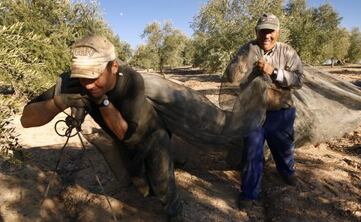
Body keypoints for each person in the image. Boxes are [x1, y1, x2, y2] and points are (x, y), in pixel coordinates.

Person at [20, 35, 182, 217]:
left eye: (94, 76)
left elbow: (125, 134)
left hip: (151, 136)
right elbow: (26, 120)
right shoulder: (71, 81)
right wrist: (59, 102)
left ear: (113, 67)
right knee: (141, 184)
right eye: (82, 77)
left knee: (163, 184)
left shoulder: (130, 81)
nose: (87, 85)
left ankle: (175, 212)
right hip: (122, 141)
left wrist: (101, 101)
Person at [222, 13, 304, 208]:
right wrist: (241, 65)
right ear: (256, 31)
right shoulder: (247, 49)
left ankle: (287, 172)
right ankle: (250, 193)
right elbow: (230, 77)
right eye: (263, 31)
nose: (267, 36)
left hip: (280, 112)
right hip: (252, 112)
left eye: (271, 31)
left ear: (278, 32)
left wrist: (273, 71)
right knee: (252, 151)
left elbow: (299, 80)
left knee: (283, 147)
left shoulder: (287, 52)